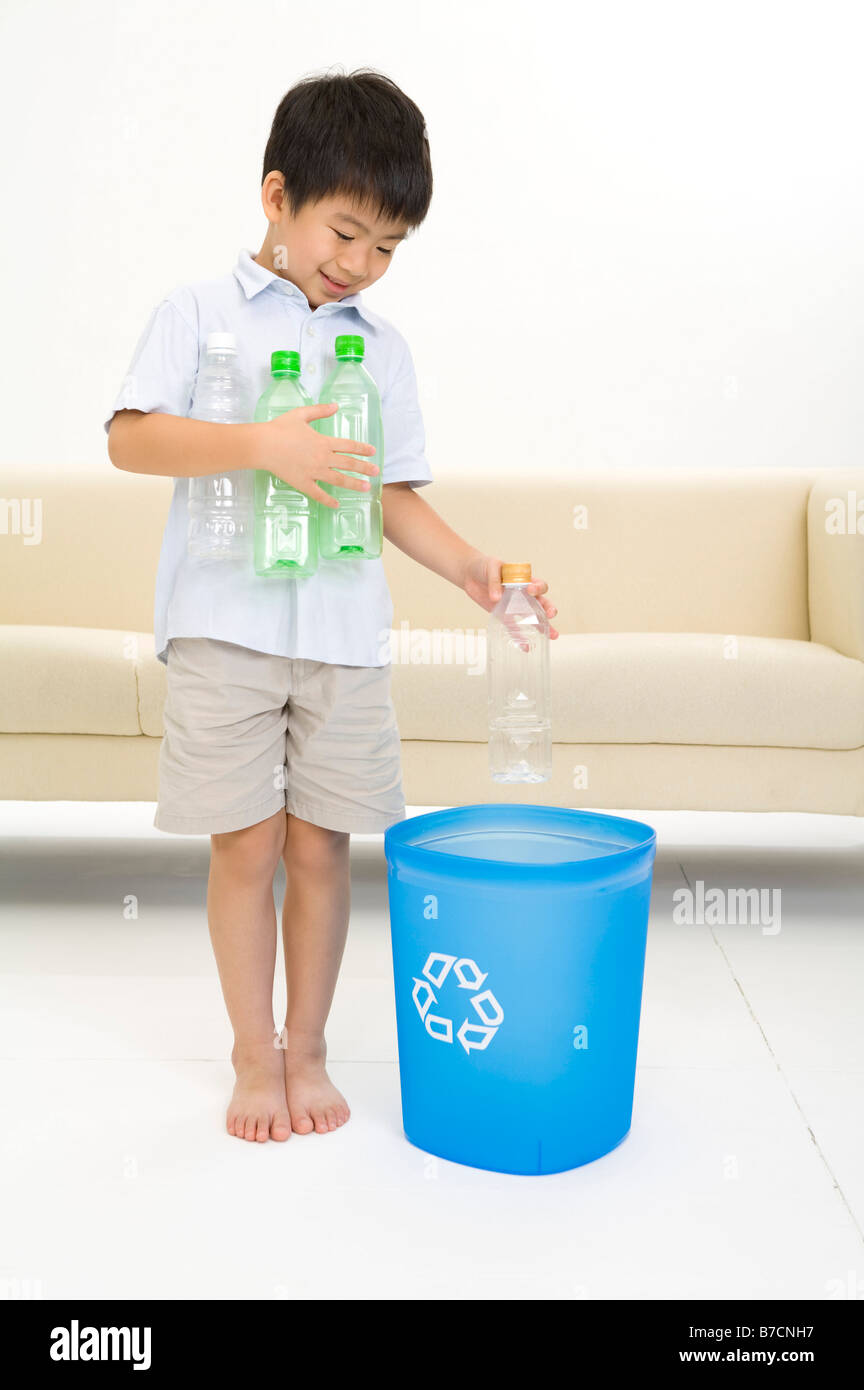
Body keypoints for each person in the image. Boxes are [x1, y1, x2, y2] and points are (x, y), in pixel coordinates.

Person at [105, 67, 559, 1145]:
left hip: (344, 637)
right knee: (246, 846)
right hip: (224, 624)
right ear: (277, 198)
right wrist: (267, 443)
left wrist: (475, 572)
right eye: (345, 233)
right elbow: (130, 438)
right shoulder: (198, 312)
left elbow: (389, 492)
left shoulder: (382, 350)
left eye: (387, 248)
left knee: (323, 847)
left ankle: (307, 1047)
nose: (361, 266)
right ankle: (251, 1052)